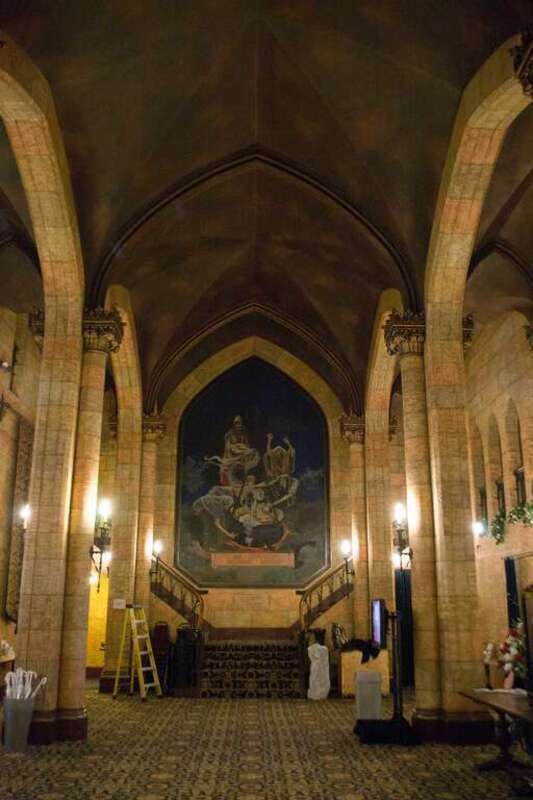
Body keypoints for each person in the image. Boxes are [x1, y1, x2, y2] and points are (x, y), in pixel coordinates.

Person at [307, 629, 330, 700]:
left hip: (320, 666)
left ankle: (320, 693)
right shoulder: (312, 648)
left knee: (320, 679)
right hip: (316, 666)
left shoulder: (323, 648)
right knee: (315, 679)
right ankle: (316, 693)